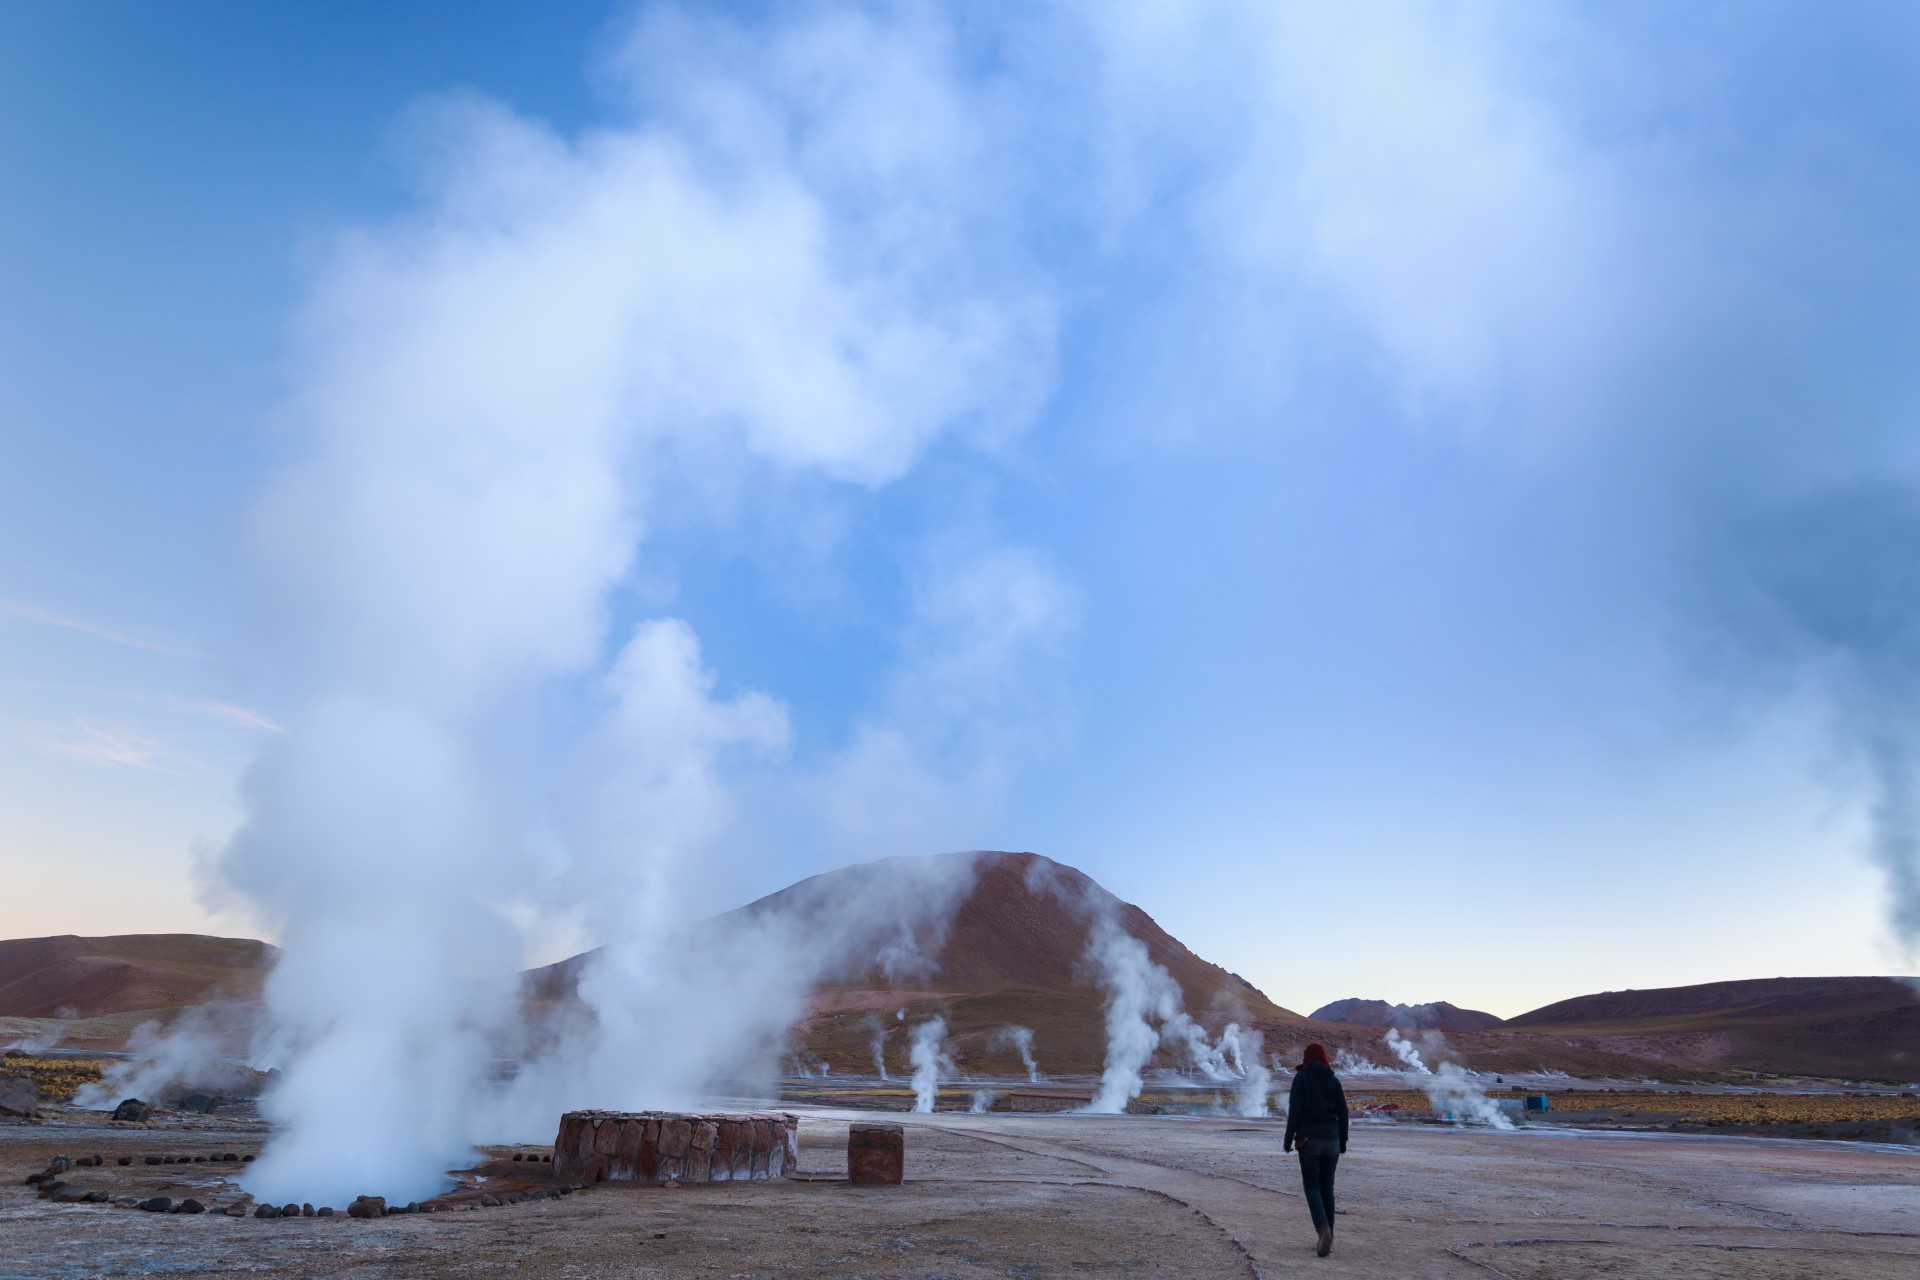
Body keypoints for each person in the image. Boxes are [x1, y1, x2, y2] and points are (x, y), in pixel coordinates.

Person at [1283, 1042, 1348, 1257]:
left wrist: (1287, 1140)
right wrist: (1343, 1141)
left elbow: (1295, 1112)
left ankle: (1323, 1231)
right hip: (1332, 1141)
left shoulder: (1302, 1079)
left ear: (1308, 1059)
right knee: (1327, 1188)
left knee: (1312, 1188)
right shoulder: (1333, 1080)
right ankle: (1329, 1235)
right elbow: (1343, 1113)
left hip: (1309, 1140)